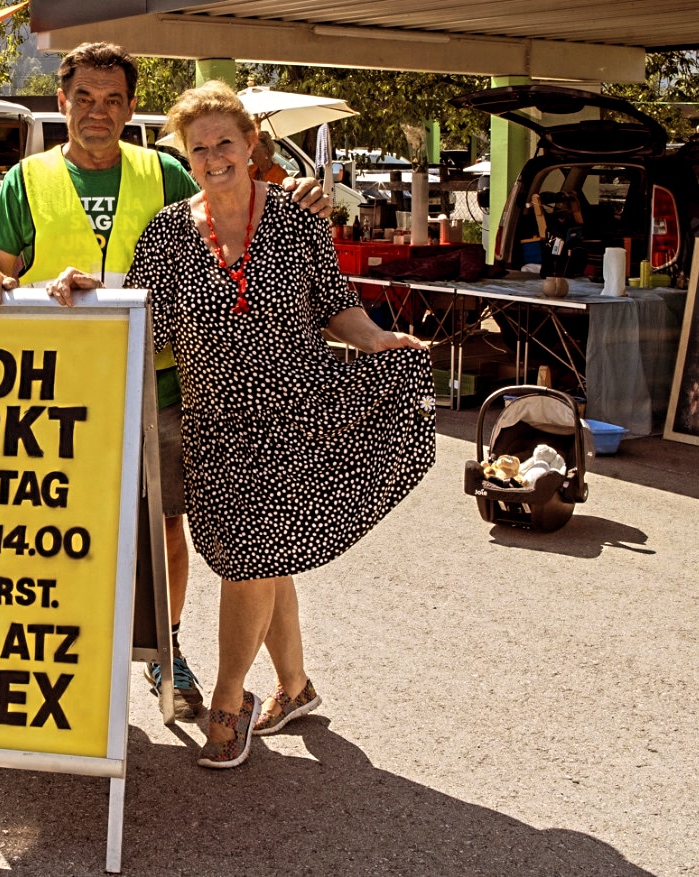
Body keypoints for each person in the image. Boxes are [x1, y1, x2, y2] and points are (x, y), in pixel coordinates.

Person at [0, 41, 331, 723]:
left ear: (131, 107)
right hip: (58, 391)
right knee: (55, 527)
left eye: (112, 99)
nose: (97, 112)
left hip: (165, 385)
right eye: (83, 97)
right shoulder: (26, 180)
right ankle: (63, 656)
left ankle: (167, 646)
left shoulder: (165, 171)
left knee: (166, 529)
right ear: (62, 101)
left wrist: (297, 198)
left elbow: (237, 212)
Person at [65, 81, 434, 768]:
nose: (213, 158)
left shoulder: (297, 222)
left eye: (224, 143)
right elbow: (144, 320)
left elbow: (336, 305)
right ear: (187, 157)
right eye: (199, 148)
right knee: (261, 558)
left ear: (250, 143)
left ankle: (228, 704)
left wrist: (378, 340)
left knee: (252, 557)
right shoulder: (169, 233)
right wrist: (93, 296)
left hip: (293, 416)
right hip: (212, 426)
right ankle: (296, 687)